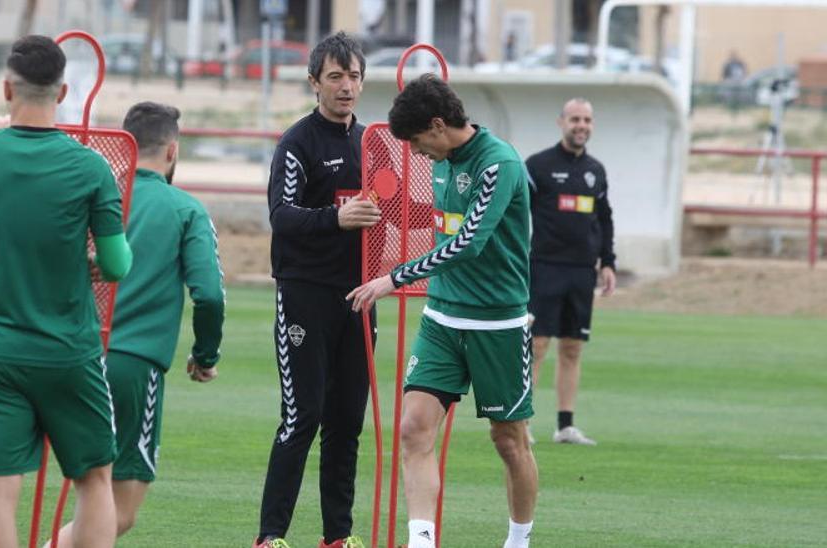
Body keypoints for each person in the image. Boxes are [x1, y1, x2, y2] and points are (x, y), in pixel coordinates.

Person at [0, 35, 132, 548]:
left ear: (7, 89)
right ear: (64, 89)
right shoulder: (90, 167)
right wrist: (89, 260)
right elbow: (117, 264)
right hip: (67, 348)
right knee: (94, 480)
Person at [347, 73, 538, 548]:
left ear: (436, 125)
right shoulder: (440, 162)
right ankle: (422, 541)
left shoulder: (500, 165)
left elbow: (468, 243)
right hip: (442, 318)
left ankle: (518, 541)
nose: (414, 153)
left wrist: (394, 277)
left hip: (498, 323)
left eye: (415, 142)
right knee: (412, 427)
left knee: (509, 440)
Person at [50, 102, 226, 547]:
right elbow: (208, 293)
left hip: (73, 355)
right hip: (133, 365)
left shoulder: (94, 195)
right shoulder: (185, 209)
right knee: (119, 510)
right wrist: (205, 356)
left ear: (125, 147)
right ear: (172, 150)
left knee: (90, 494)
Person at [255, 31, 380, 548]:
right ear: (314, 83)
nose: (346, 86)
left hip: (360, 296)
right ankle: (271, 537)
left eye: (353, 76)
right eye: (335, 77)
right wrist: (337, 218)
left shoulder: (374, 142)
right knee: (301, 417)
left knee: (347, 422)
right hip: (306, 293)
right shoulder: (296, 142)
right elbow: (281, 217)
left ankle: (338, 537)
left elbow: (393, 210)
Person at [524, 98, 615, 446]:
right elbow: (517, 213)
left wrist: (607, 261)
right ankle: (524, 421)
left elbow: (604, 218)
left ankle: (565, 425)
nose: (581, 125)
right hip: (543, 267)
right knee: (538, 343)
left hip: (581, 271)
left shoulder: (596, 170)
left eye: (587, 120)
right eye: (575, 119)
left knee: (573, 347)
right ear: (561, 121)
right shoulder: (538, 166)